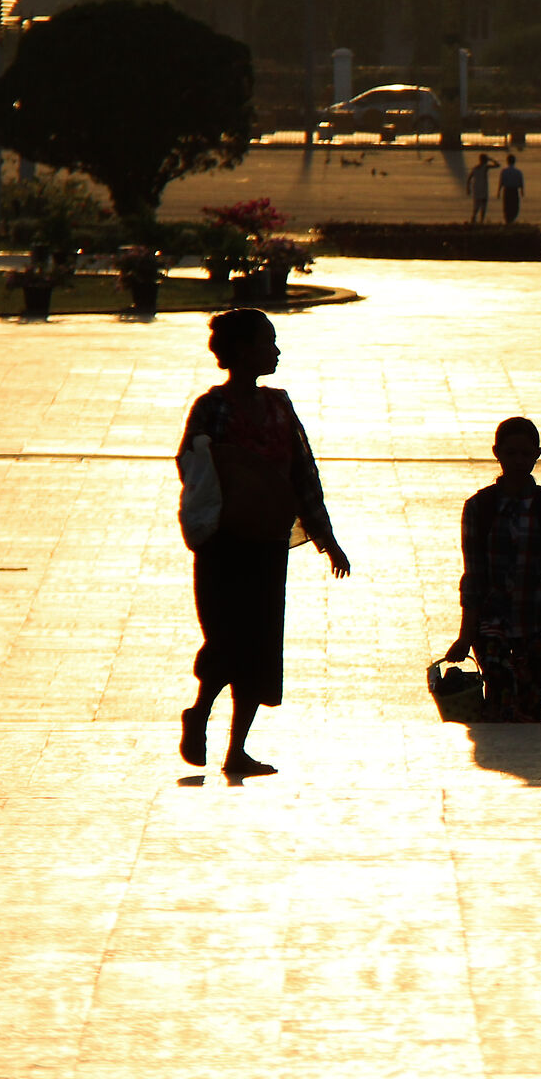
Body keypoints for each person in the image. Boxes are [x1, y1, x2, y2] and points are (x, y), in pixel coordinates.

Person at [176, 308, 352, 776]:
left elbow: (302, 472)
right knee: (226, 638)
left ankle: (237, 750)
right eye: (266, 342)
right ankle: (200, 712)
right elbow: (191, 468)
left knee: (259, 644)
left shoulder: (279, 405)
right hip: (223, 545)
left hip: (269, 543)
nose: (274, 351)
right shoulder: (211, 407)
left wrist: (326, 537)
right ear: (238, 350)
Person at [449, 417, 541, 722]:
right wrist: (466, 635)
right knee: (500, 701)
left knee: (531, 708)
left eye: (525, 454)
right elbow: (474, 576)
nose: (519, 461)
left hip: (536, 625)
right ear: (497, 453)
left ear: (537, 454)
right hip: (491, 625)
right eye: (511, 453)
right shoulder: (479, 507)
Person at [498, 152, 526, 226]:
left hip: (507, 190)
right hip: (514, 191)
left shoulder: (504, 171)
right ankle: (512, 219)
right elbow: (521, 182)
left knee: (507, 206)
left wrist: (499, 191)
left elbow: (501, 182)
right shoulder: (518, 172)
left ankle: (508, 220)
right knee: (514, 206)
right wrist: (522, 191)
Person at [468, 153, 494, 226]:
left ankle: (473, 218)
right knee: (483, 206)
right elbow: (497, 165)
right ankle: (481, 221)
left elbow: (469, 178)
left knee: (476, 206)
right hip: (483, 189)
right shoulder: (485, 167)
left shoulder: (475, 168)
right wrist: (491, 159)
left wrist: (468, 188)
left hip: (476, 189)